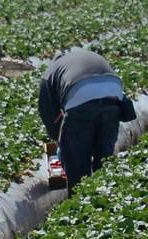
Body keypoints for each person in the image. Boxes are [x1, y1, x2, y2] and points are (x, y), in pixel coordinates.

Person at [37, 49, 137, 192]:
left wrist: (60, 141)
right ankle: (104, 199)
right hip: (113, 97)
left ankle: (80, 201)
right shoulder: (87, 57)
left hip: (80, 99)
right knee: (104, 157)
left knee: (77, 163)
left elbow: (47, 112)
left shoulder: (51, 72)